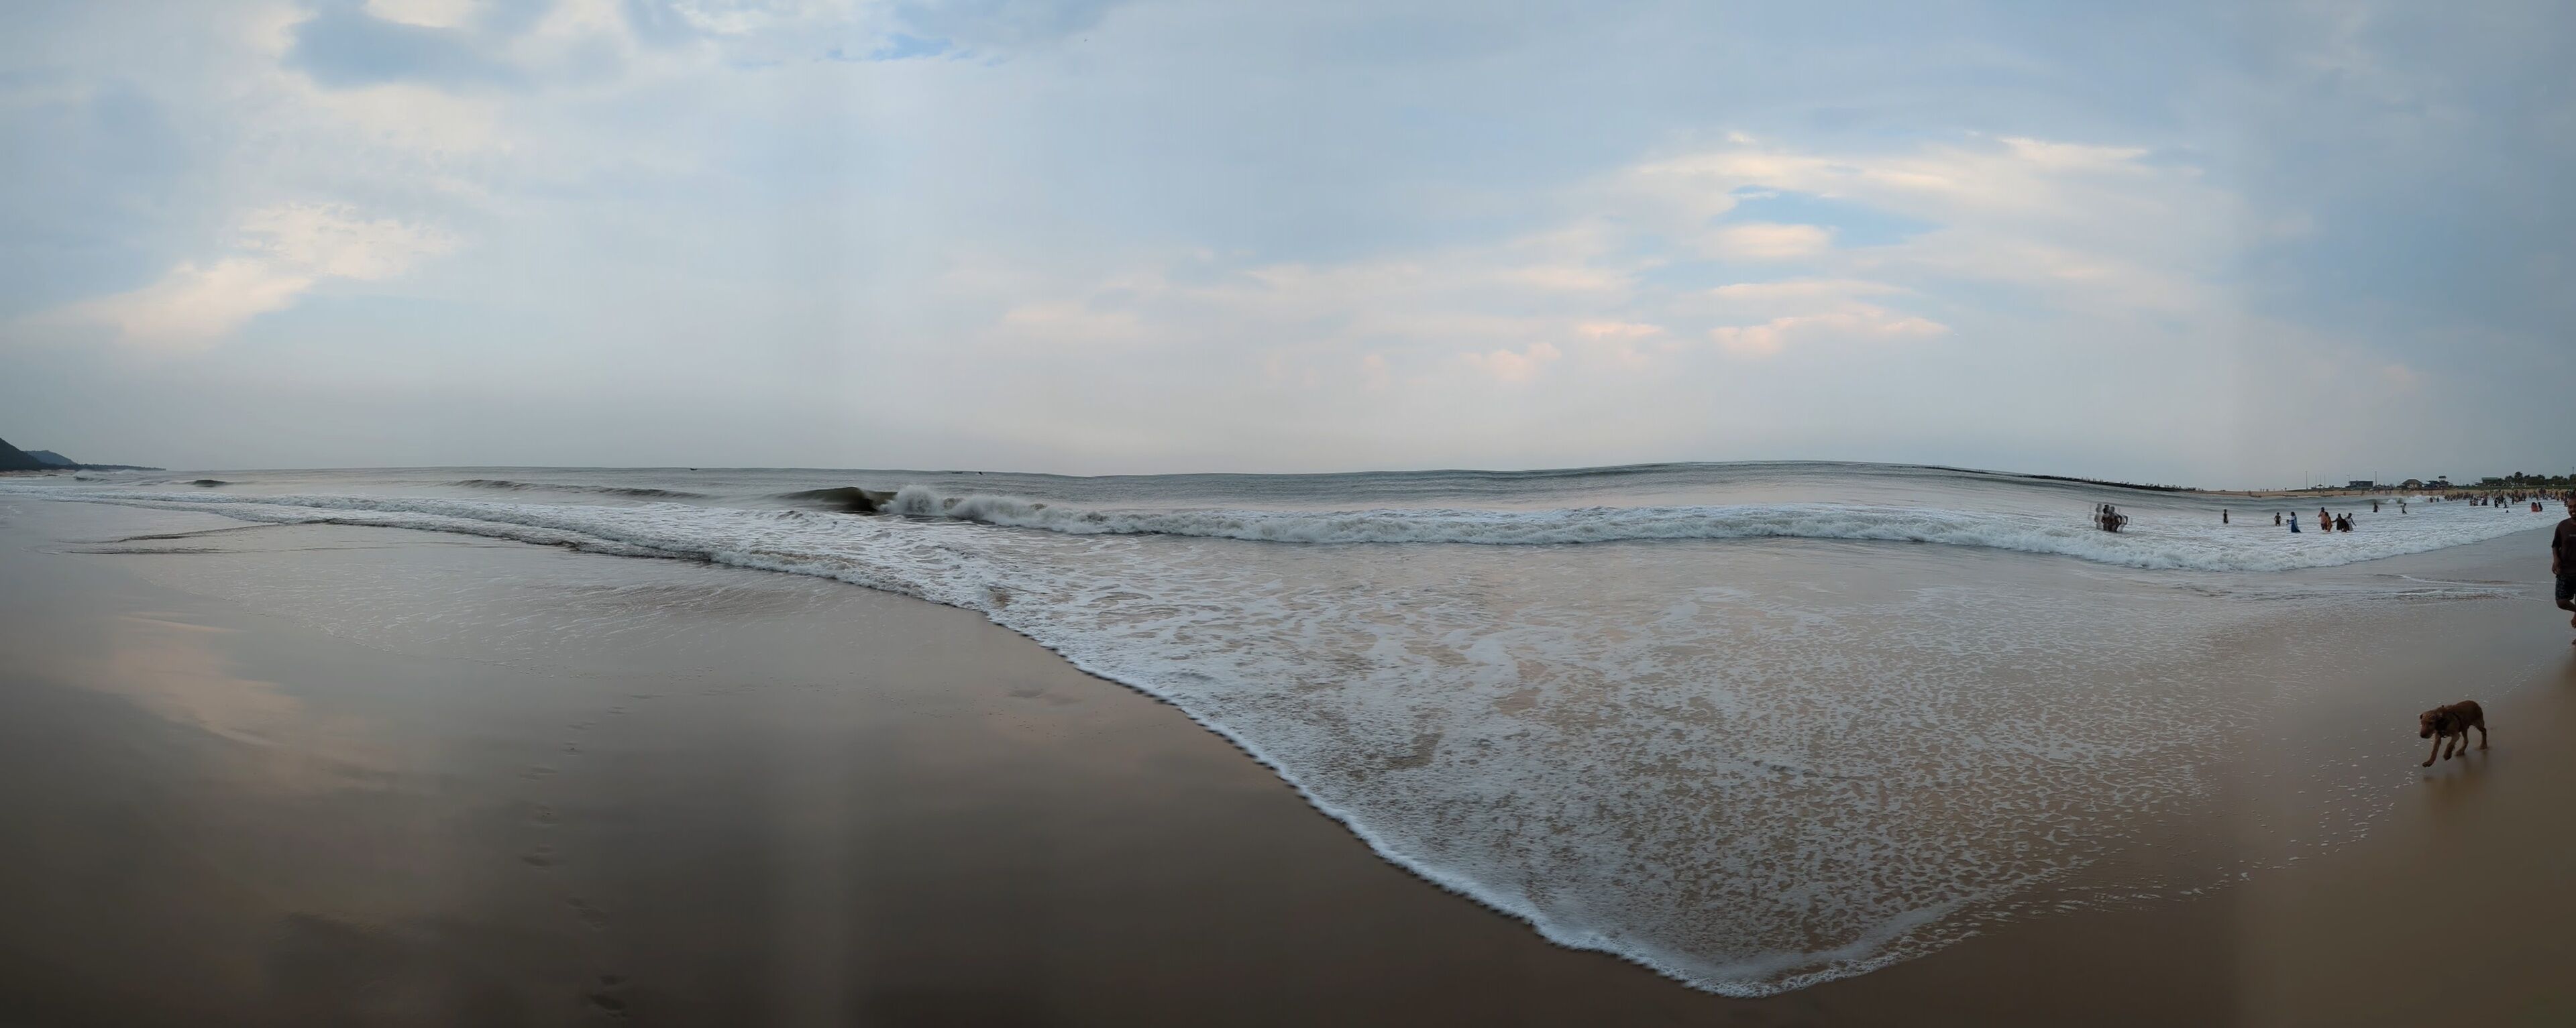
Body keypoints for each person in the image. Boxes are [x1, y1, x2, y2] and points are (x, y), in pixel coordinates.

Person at [2557, 498, 2576, 643]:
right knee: (2562, 602)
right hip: (2565, 571)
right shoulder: (2562, 526)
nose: (2572, 509)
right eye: (2570, 507)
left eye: (2575, 507)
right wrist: (2555, 560)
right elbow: (2555, 545)